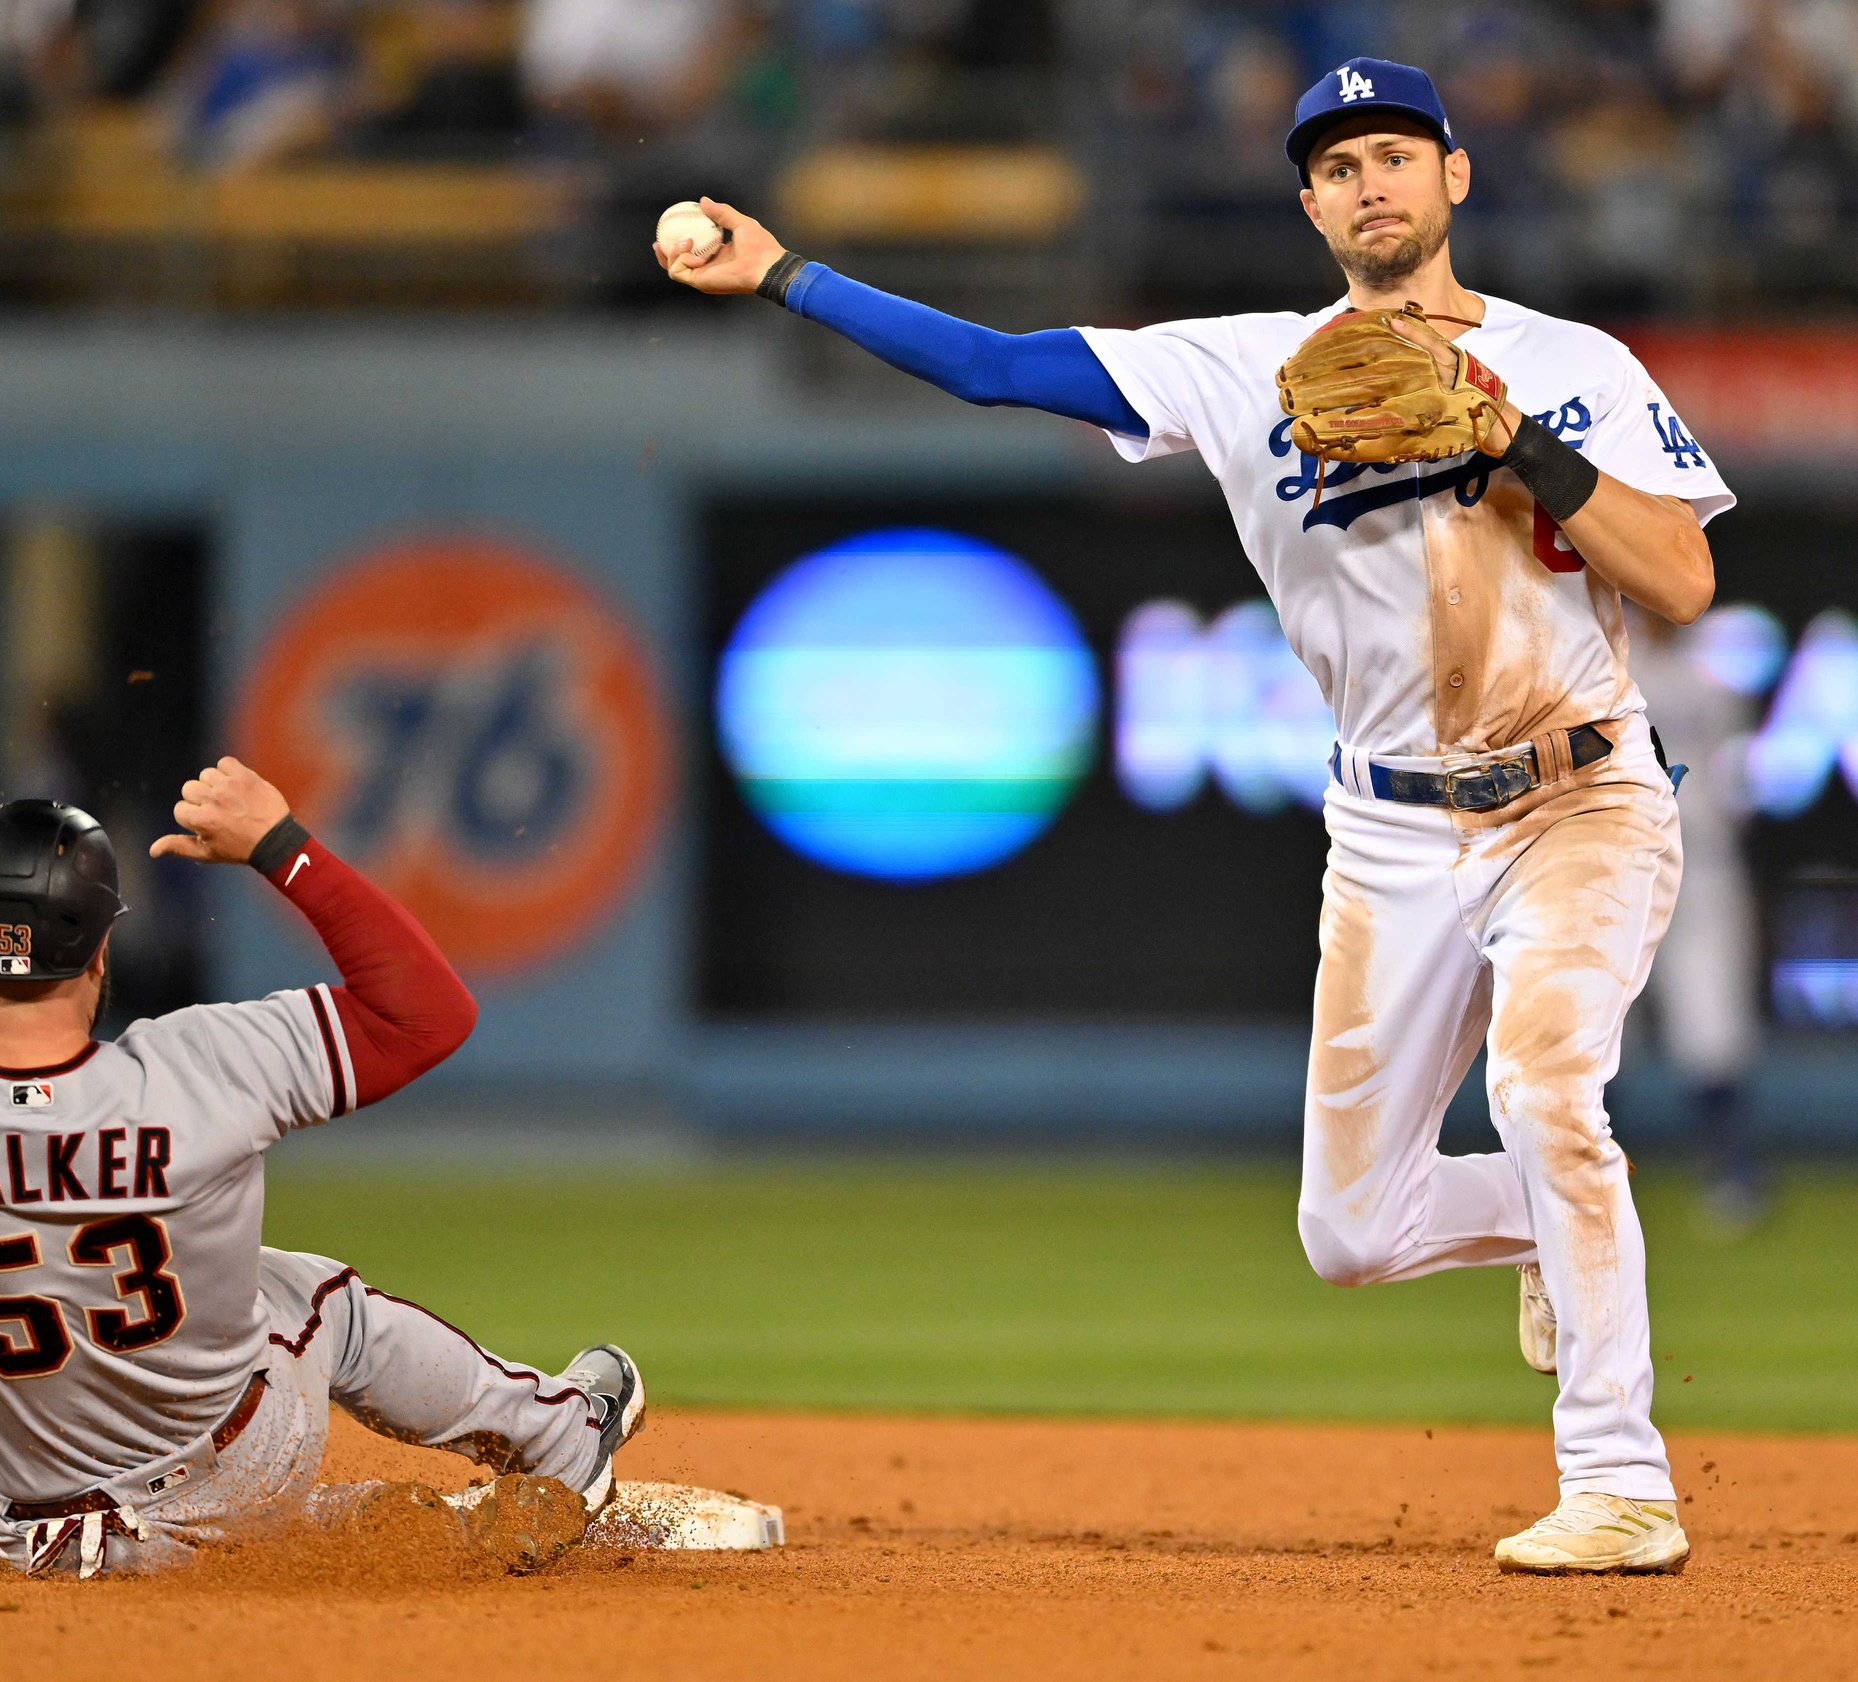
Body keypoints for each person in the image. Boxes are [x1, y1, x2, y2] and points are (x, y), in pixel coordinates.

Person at [660, 56, 1727, 1575]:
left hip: (1580, 797)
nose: (1370, 183)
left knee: (1549, 1088)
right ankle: (1562, 1233)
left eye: (1394, 155)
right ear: (1306, 203)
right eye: (1337, 165)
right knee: (1349, 1232)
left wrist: (1509, 441)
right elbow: (995, 368)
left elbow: (1680, 581)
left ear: (1454, 178)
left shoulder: (1576, 363)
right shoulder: (1242, 368)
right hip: (1389, 832)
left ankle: (1619, 1478)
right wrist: (784, 273)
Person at [0, 662, 645, 1578]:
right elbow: (430, 1013)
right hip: (233, 1471)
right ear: (102, 949)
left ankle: (182, 1535)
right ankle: (560, 1439)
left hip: (25, 1528)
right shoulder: (202, 1069)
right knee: (319, 1300)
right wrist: (283, 846)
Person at [1625, 604, 1767, 1231]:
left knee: (1711, 1029)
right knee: (1592, 1037)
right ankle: (1576, 1182)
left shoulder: (1713, 683)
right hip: (1617, 869)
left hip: (1700, 867)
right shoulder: (1604, 667)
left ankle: (1734, 1176)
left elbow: (1740, 788)